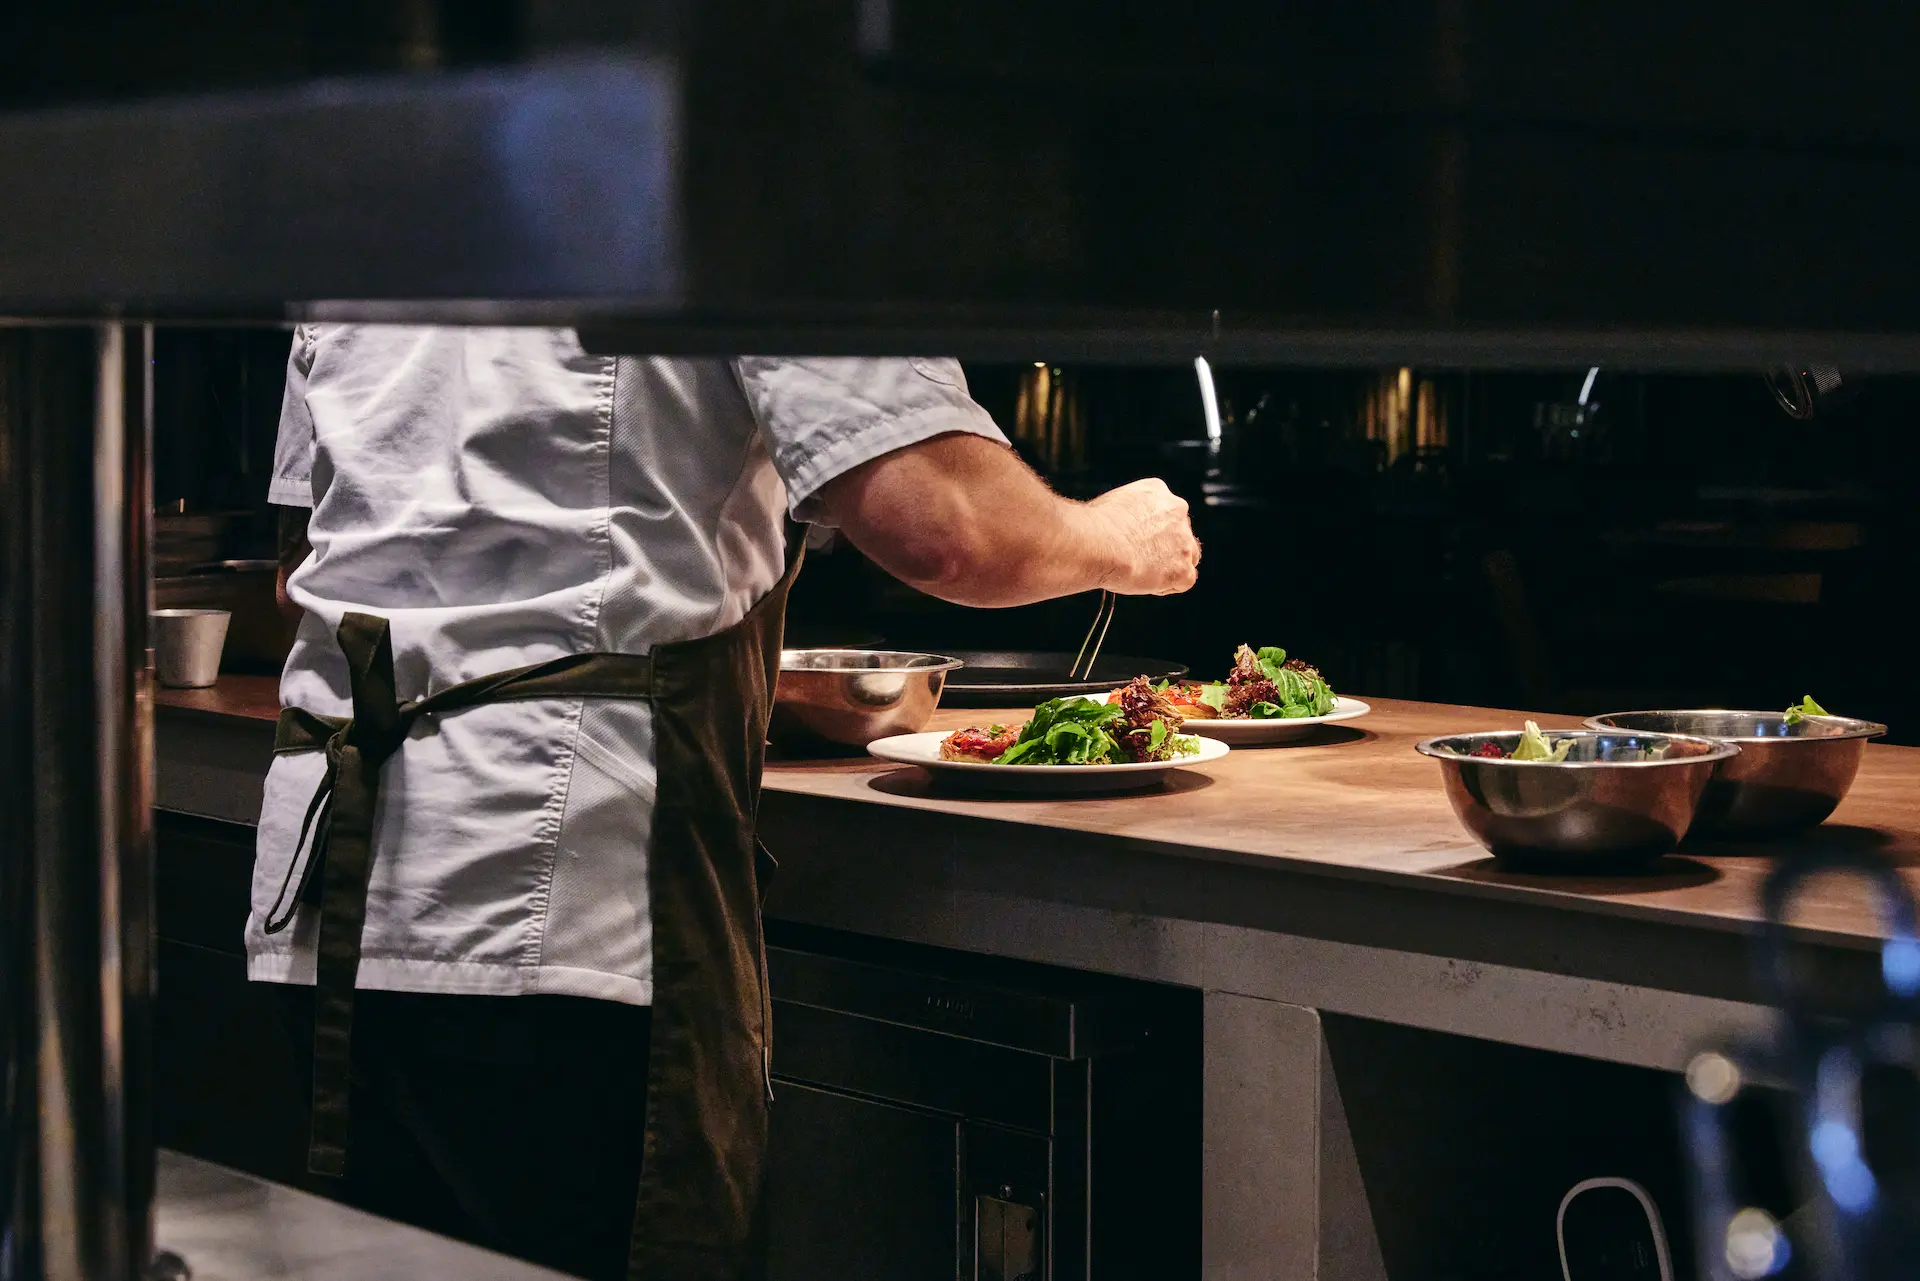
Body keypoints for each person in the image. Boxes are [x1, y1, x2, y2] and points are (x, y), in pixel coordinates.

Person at [256, 326, 1199, 1281]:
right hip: (556, 900)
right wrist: (1116, 538)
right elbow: (944, 526)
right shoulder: (739, 179)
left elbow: (303, 562)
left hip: (332, 888)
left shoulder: (359, 190)